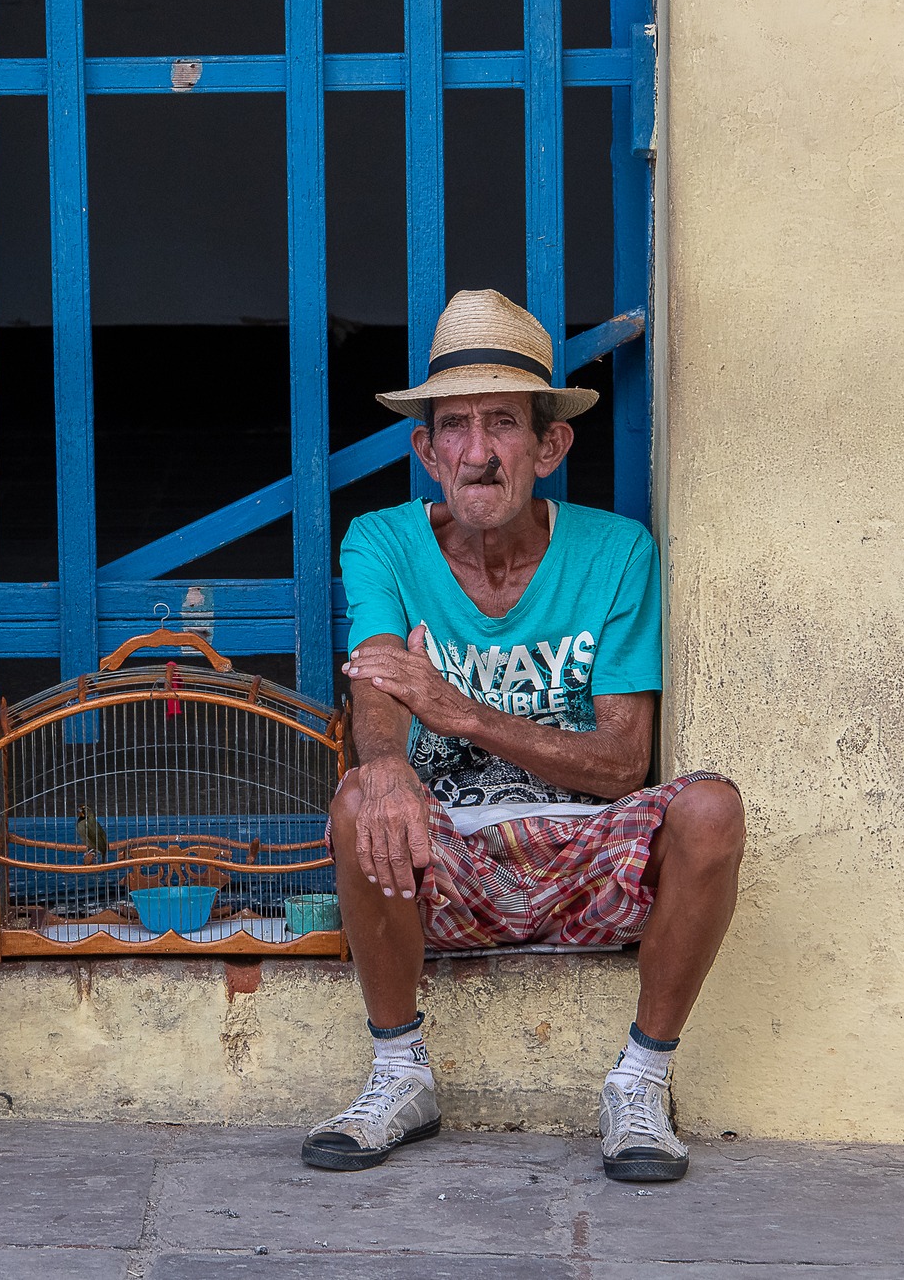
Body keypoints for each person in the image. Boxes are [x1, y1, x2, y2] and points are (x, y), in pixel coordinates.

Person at [304, 289, 746, 1183]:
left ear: (550, 446)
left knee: (712, 810)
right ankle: (400, 1071)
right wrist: (383, 765)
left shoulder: (616, 553)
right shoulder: (381, 543)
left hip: (589, 862)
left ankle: (641, 1082)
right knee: (360, 796)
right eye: (454, 427)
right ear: (426, 451)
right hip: (442, 866)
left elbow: (622, 762)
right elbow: (380, 682)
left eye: (503, 422)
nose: (478, 451)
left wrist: (462, 711)